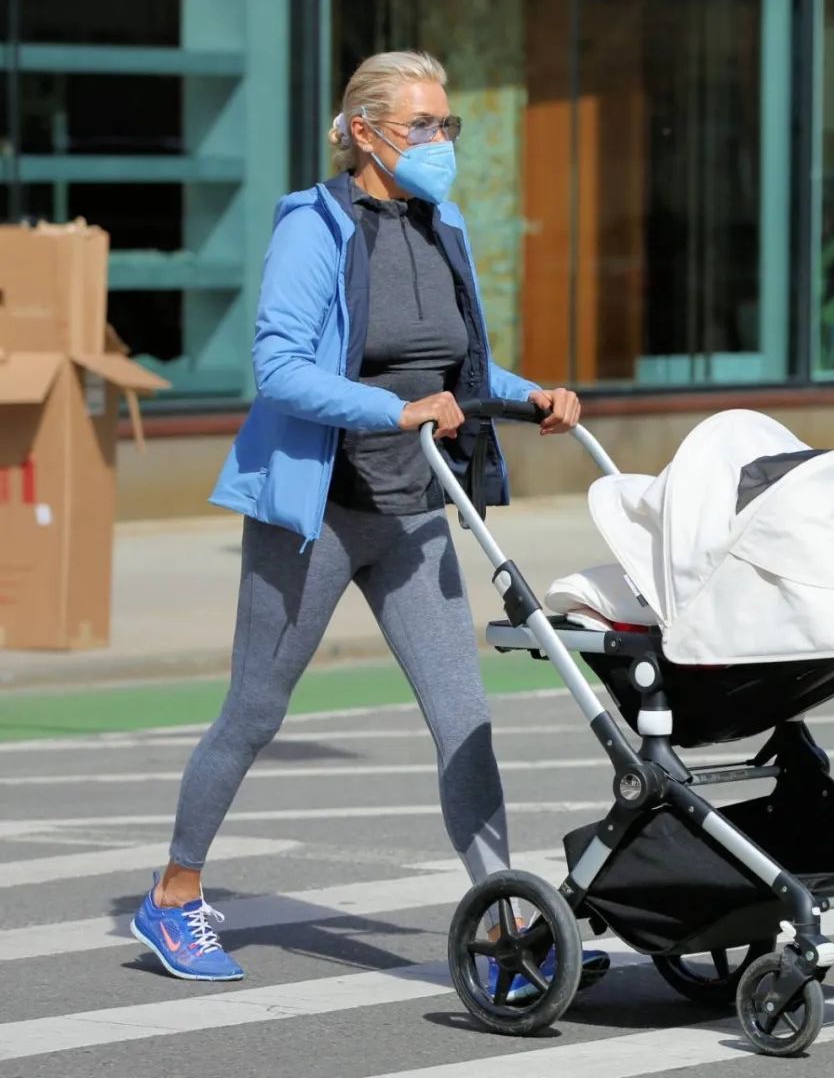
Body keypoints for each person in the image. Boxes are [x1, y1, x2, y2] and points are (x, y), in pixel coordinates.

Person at [130, 50, 608, 1000]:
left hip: (415, 506)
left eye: (447, 127)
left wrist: (530, 396)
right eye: (422, 126)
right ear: (363, 131)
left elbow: (460, 370)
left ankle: (506, 925)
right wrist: (396, 413)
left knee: (464, 720)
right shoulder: (316, 228)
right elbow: (279, 370)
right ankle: (174, 892)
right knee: (254, 714)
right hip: (320, 511)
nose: (440, 145)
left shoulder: (442, 224)